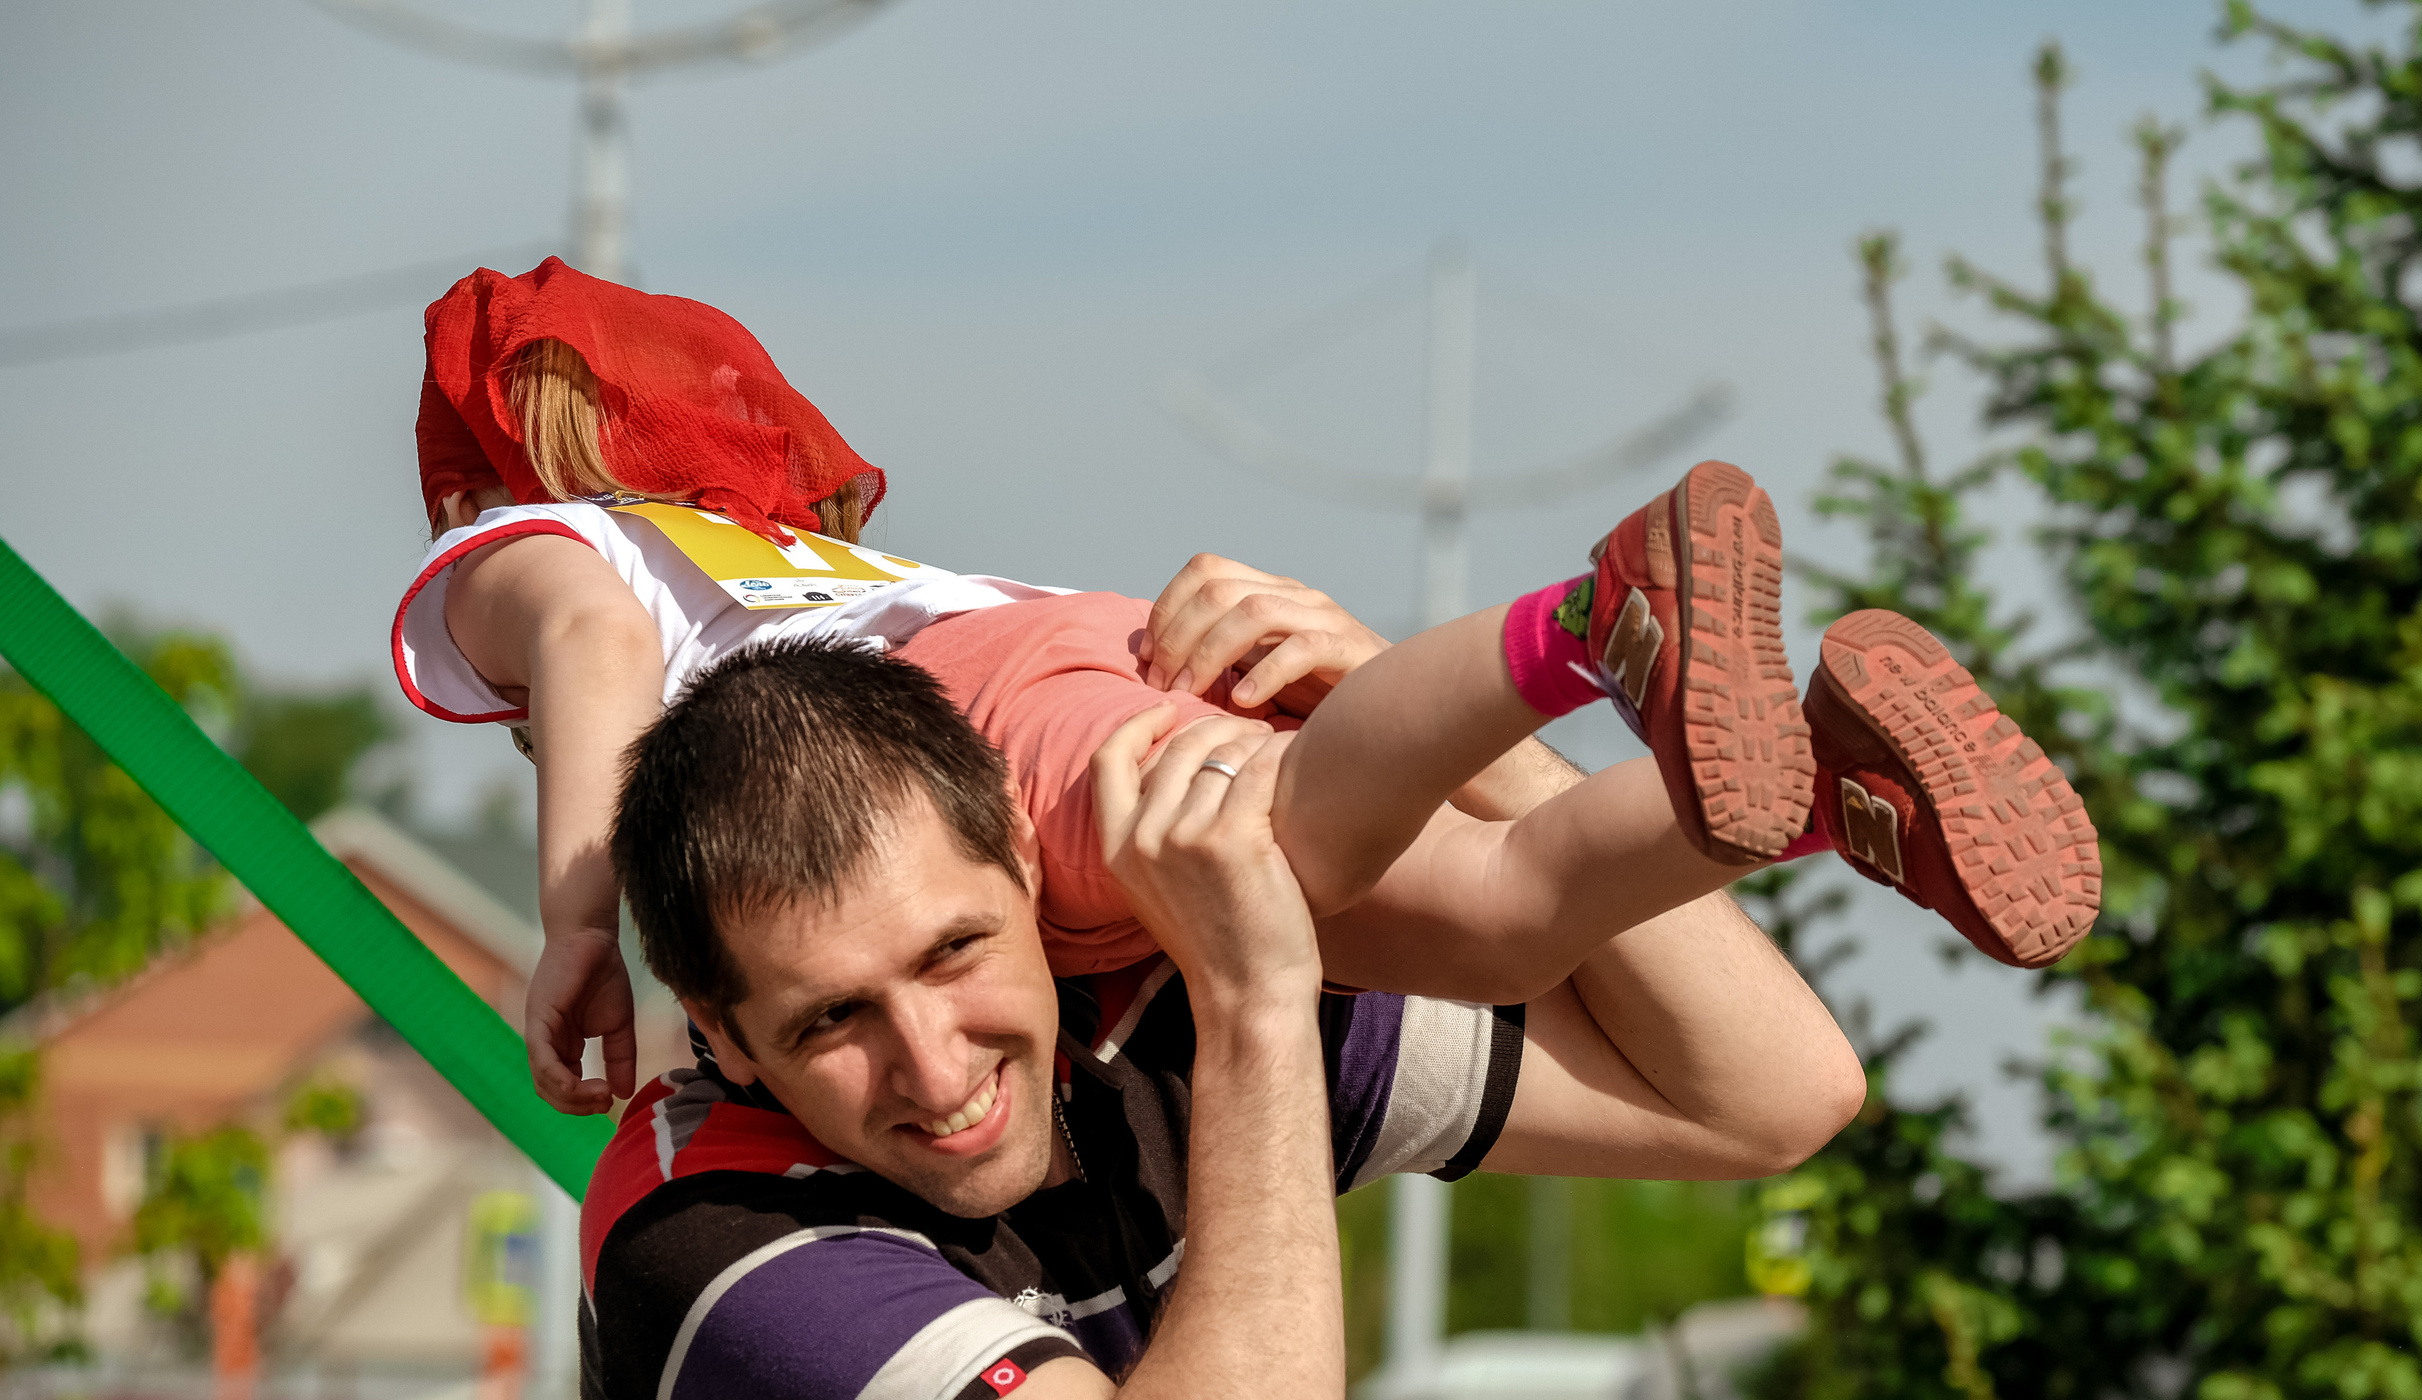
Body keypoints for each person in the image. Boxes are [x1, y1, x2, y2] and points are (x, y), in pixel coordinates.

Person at [393, 259, 2103, 1116]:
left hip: (944, 762)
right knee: (1504, 920)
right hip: (1074, 646)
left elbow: (599, 649)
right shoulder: (782, 553)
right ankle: (1819, 781)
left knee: (1356, 855)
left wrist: (573, 931)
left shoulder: (522, 557)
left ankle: (1588, 625)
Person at [580, 624, 1866, 1400]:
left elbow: (1765, 1096)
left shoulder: (1166, 1041)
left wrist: (1488, 757)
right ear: (723, 1032)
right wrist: (1258, 1001)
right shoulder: (710, 1240)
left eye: (954, 952)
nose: (931, 1067)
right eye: (827, 1020)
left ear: (1027, 863)